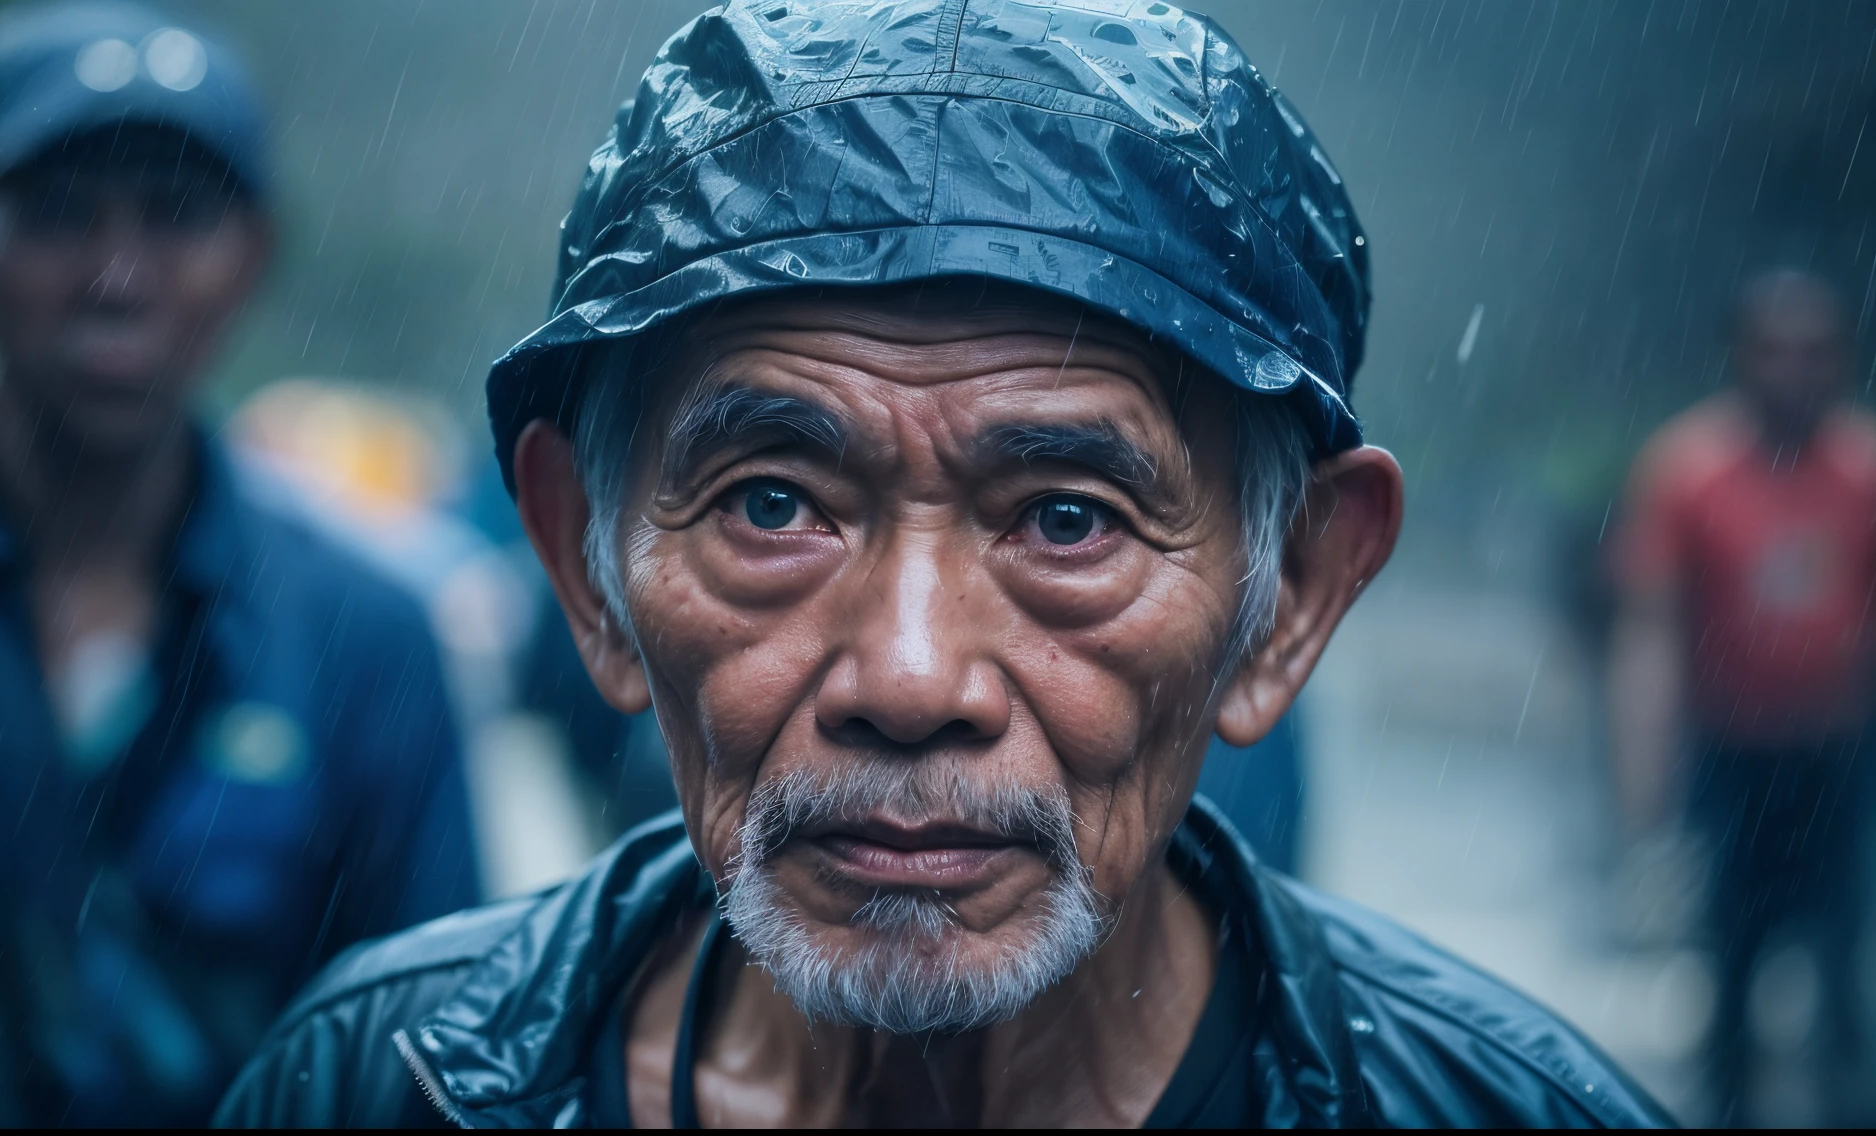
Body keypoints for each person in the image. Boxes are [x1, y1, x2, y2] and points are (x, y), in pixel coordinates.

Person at [219, 2, 1669, 1126]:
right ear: (587, 568)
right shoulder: (370, 1085)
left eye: (1066, 519)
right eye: (774, 505)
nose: (909, 679)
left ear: (1288, 595)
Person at [0, 3, 476, 1125]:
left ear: (253, 257)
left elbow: (430, 1042)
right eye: (58, 215)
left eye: (176, 215)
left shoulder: (365, 629)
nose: (118, 275)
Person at [1609, 267, 1874, 1125]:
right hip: (1733, 760)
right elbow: (1651, 630)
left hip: (1839, 761)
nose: (1795, 369)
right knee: (1730, 964)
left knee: (1845, 964)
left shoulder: (1865, 473)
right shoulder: (1691, 472)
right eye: (1776, 350)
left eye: (1814, 351)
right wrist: (1643, 774)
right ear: (1741, 356)